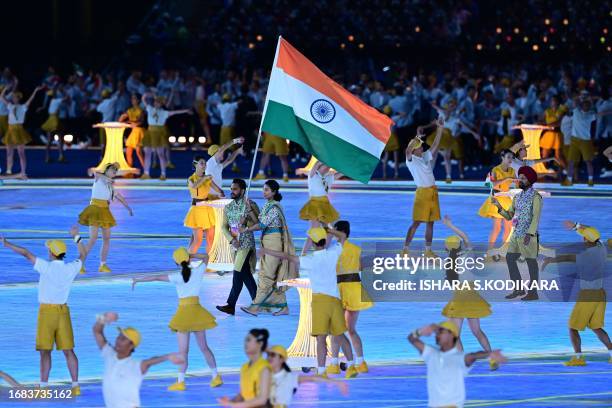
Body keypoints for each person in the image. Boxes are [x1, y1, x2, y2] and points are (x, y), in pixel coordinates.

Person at [260, 227, 359, 379]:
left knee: (320, 339)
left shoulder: (309, 260)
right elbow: (343, 237)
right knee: (340, 335)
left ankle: (321, 371)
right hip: (334, 300)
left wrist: (267, 251)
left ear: (313, 243)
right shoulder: (333, 253)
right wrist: (329, 229)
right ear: (325, 241)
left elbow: (286, 256)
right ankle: (351, 366)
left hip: (319, 302)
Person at [1, 225, 86, 395]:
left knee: (45, 352)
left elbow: (26, 253)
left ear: (52, 253)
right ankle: (75, 386)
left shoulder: (45, 267)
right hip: (63, 312)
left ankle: (44, 388)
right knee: (69, 351)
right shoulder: (71, 268)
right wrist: (76, 237)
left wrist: (7, 244)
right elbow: (83, 254)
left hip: (47, 313)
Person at [131, 247, 222, 390]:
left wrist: (138, 280)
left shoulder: (177, 277)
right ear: (188, 259)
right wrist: (191, 255)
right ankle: (216, 377)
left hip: (184, 315)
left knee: (183, 352)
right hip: (198, 313)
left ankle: (180, 382)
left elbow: (155, 277)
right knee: (204, 348)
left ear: (176, 263)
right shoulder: (198, 271)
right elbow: (206, 257)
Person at [541, 222, 611, 366]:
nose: (582, 239)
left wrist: (551, 260)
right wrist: (577, 226)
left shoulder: (587, 255)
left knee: (572, 327)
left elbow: (569, 257)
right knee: (596, 327)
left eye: (584, 237)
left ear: (586, 240)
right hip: (600, 294)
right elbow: (591, 232)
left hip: (588, 295)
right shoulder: (601, 248)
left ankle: (578, 359)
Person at [93, 311, 184, 408]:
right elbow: (97, 331)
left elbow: (150, 361)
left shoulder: (135, 365)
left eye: (123, 339)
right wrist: (104, 318)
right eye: (118, 337)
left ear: (131, 345)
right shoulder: (109, 354)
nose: (118, 341)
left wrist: (168, 357)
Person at [441, 215, 497, 370]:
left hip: (460, 299)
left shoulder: (448, 263)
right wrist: (451, 226)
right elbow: (465, 237)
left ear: (447, 248)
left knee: (454, 334)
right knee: (477, 331)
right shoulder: (468, 254)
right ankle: (491, 357)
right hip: (473, 296)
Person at [407, 321, 507, 408]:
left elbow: (473, 356)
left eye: (441, 332)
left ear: (451, 335)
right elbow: (411, 339)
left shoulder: (459, 357)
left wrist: (489, 353)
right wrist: (420, 331)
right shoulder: (431, 353)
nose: (437, 335)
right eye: (437, 332)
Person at [239, 180, 296, 316]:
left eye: (266, 190)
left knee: (266, 276)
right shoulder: (268, 205)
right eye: (263, 189)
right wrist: (250, 208)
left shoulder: (275, 208)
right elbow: (258, 221)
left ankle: (255, 306)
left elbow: (261, 225)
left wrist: (246, 230)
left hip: (274, 243)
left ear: (274, 192)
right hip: (267, 242)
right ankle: (283, 307)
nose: (263, 192)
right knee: (269, 275)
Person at [326, 220, 373, 375]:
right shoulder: (356, 249)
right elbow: (361, 267)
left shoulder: (334, 249)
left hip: (340, 289)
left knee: (336, 330)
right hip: (355, 289)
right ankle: (361, 363)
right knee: (351, 330)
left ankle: (334, 364)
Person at [491, 166, 542, 301]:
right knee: (510, 258)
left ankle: (533, 292)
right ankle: (518, 289)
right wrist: (498, 206)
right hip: (516, 234)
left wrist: (529, 234)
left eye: (523, 178)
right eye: (519, 177)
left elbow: (536, 217)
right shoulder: (517, 197)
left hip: (528, 236)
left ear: (530, 181)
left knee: (531, 263)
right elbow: (509, 216)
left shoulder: (536, 197)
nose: (520, 180)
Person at [78, 163, 133, 273]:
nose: (114, 172)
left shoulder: (110, 186)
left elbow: (119, 197)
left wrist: (128, 208)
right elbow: (91, 171)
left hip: (105, 211)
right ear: (106, 170)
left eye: (115, 171)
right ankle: (80, 265)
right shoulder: (99, 178)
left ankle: (103, 265)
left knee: (106, 239)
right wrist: (107, 178)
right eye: (112, 169)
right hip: (94, 209)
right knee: (93, 239)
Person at [217, 179, 260, 315]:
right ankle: (258, 301)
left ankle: (230, 305)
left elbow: (258, 224)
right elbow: (223, 227)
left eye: (235, 189)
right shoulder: (228, 207)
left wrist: (249, 214)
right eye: (231, 189)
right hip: (234, 245)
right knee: (244, 274)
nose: (232, 191)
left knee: (237, 272)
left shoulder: (250, 204)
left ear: (242, 190)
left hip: (246, 244)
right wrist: (231, 240)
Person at [402, 117, 444, 258]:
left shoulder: (424, 157)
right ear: (414, 149)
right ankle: (405, 249)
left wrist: (440, 128)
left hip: (433, 192)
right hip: (422, 194)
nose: (421, 147)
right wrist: (416, 138)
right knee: (416, 222)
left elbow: (435, 145)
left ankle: (428, 251)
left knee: (430, 223)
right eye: (419, 146)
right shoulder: (411, 160)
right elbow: (407, 151)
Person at [266, 345, 348, 407]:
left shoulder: (288, 378)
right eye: (269, 355)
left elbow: (312, 378)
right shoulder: (263, 373)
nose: (269, 358)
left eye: (272, 356)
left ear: (281, 359)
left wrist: (336, 382)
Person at [563, 95, 612, 186]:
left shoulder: (591, 114)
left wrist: (610, 111)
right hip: (574, 140)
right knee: (571, 161)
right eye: (585, 104)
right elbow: (574, 100)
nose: (586, 106)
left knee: (588, 161)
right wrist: (583, 97)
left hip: (586, 141)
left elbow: (602, 113)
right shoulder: (576, 111)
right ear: (582, 105)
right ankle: (569, 180)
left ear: (589, 106)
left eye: (588, 105)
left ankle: (590, 180)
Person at [141, 93, 191, 180]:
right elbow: (143, 99)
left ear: (161, 104)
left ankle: (163, 174)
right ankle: (146, 173)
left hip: (159, 133)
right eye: (156, 102)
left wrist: (186, 111)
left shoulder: (164, 112)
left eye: (159, 102)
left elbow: (176, 112)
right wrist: (148, 94)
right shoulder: (150, 108)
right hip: (150, 132)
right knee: (147, 153)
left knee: (161, 154)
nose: (157, 104)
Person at [218, 328, 272, 408]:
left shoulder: (264, 368)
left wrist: (234, 404)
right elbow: (243, 394)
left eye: (249, 340)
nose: (245, 343)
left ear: (260, 344)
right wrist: (230, 401)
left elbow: (262, 399)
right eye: (245, 340)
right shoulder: (244, 367)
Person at [299, 160, 343, 255]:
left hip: (325, 206)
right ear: (320, 166)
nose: (328, 167)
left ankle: (323, 250)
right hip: (315, 205)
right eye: (326, 165)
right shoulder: (313, 174)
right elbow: (316, 164)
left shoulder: (328, 178)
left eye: (329, 166)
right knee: (314, 230)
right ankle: (303, 254)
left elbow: (341, 173)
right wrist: (326, 157)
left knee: (332, 229)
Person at [477, 149, 516, 254]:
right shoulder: (495, 170)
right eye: (508, 157)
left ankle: (505, 250)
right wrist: (506, 179)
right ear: (502, 158)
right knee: (497, 228)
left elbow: (517, 183)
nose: (510, 159)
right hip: (497, 199)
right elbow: (490, 184)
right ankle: (489, 251)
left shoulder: (512, 171)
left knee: (508, 227)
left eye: (512, 157)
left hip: (507, 199)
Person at [0, 85, 43, 176]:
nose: (13, 98)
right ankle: (8, 171)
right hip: (11, 130)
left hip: (19, 130)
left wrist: (35, 90)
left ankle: (23, 172)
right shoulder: (10, 106)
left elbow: (31, 99)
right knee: (9, 152)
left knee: (21, 153)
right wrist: (5, 89)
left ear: (18, 98)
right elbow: (1, 97)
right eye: (13, 97)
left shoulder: (23, 107)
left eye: (15, 97)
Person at [184, 156, 223, 255]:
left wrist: (220, 193)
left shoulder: (208, 178)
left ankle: (211, 263)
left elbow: (218, 190)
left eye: (205, 163)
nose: (204, 165)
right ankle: (186, 263)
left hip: (208, 210)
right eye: (202, 163)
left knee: (211, 239)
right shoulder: (191, 179)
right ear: (195, 164)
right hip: (197, 211)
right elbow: (194, 186)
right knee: (198, 240)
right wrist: (205, 178)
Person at [39, 88, 68, 163]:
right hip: (55, 119)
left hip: (50, 119)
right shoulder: (56, 100)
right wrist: (63, 91)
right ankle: (61, 156)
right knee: (60, 138)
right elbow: (66, 98)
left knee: (49, 140)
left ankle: (47, 157)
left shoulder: (49, 103)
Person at [119, 93, 145, 171]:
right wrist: (122, 119)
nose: (132, 100)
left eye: (134, 99)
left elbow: (140, 121)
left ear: (138, 100)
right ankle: (129, 171)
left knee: (138, 152)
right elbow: (122, 118)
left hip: (140, 131)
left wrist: (128, 122)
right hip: (133, 132)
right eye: (132, 99)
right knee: (128, 152)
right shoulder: (130, 110)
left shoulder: (141, 110)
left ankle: (146, 171)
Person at [540, 95, 567, 170]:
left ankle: (569, 173)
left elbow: (559, 122)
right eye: (552, 100)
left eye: (555, 100)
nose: (553, 102)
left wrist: (547, 124)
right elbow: (541, 120)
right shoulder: (547, 111)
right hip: (548, 134)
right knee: (544, 155)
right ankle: (542, 172)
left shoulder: (562, 110)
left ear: (558, 102)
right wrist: (540, 123)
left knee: (558, 155)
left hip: (557, 134)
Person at [381, 105, 401, 179]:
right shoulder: (394, 118)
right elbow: (403, 114)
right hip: (393, 138)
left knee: (386, 157)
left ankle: (384, 174)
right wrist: (397, 112)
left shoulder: (382, 119)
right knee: (396, 157)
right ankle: (396, 174)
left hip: (386, 138)